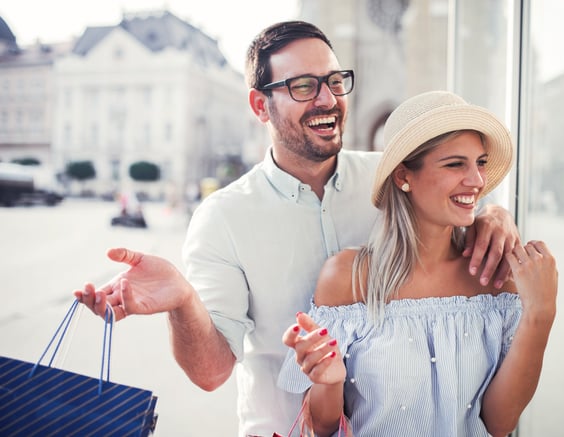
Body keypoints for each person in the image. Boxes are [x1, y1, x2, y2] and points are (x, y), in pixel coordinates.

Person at [74, 22, 521, 436]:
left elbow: (456, 198)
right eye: (303, 86)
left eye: (333, 80)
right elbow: (210, 373)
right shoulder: (222, 217)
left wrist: (492, 217)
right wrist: (182, 300)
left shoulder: (393, 181)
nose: (327, 99)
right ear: (259, 105)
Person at [279, 90, 558, 436]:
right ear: (403, 176)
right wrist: (330, 381)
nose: (477, 181)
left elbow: (499, 424)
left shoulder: (494, 277)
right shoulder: (348, 277)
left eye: (480, 162)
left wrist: (540, 315)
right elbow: (320, 426)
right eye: (456, 164)